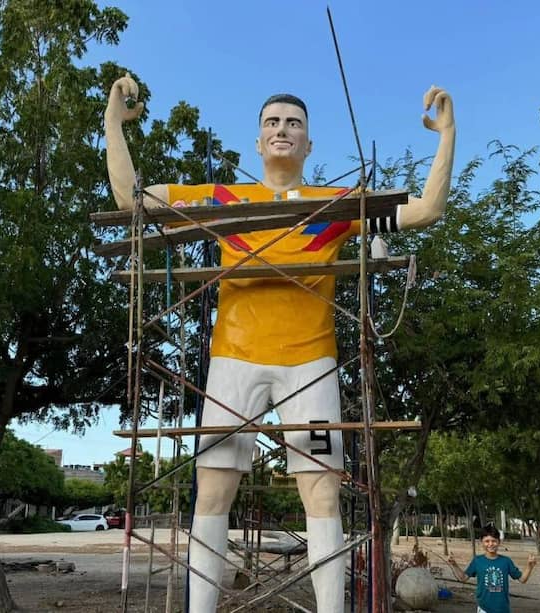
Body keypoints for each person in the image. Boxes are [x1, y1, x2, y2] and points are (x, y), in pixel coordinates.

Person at [105, 74, 455, 612]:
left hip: (310, 366)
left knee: (321, 493)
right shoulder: (224, 198)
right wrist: (113, 121)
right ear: (258, 140)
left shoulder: (339, 201)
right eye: (272, 122)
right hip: (232, 364)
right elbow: (132, 197)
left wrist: (447, 134)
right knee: (213, 490)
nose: (282, 130)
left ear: (310, 143)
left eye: (294, 123)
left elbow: (425, 210)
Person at [447, 525, 537, 613]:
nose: (490, 544)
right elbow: (463, 578)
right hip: (484, 609)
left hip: (503, 609)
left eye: (494, 541)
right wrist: (454, 565)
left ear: (499, 542)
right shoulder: (477, 561)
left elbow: (522, 579)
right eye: (487, 541)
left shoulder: (506, 561)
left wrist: (530, 566)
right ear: (481, 542)